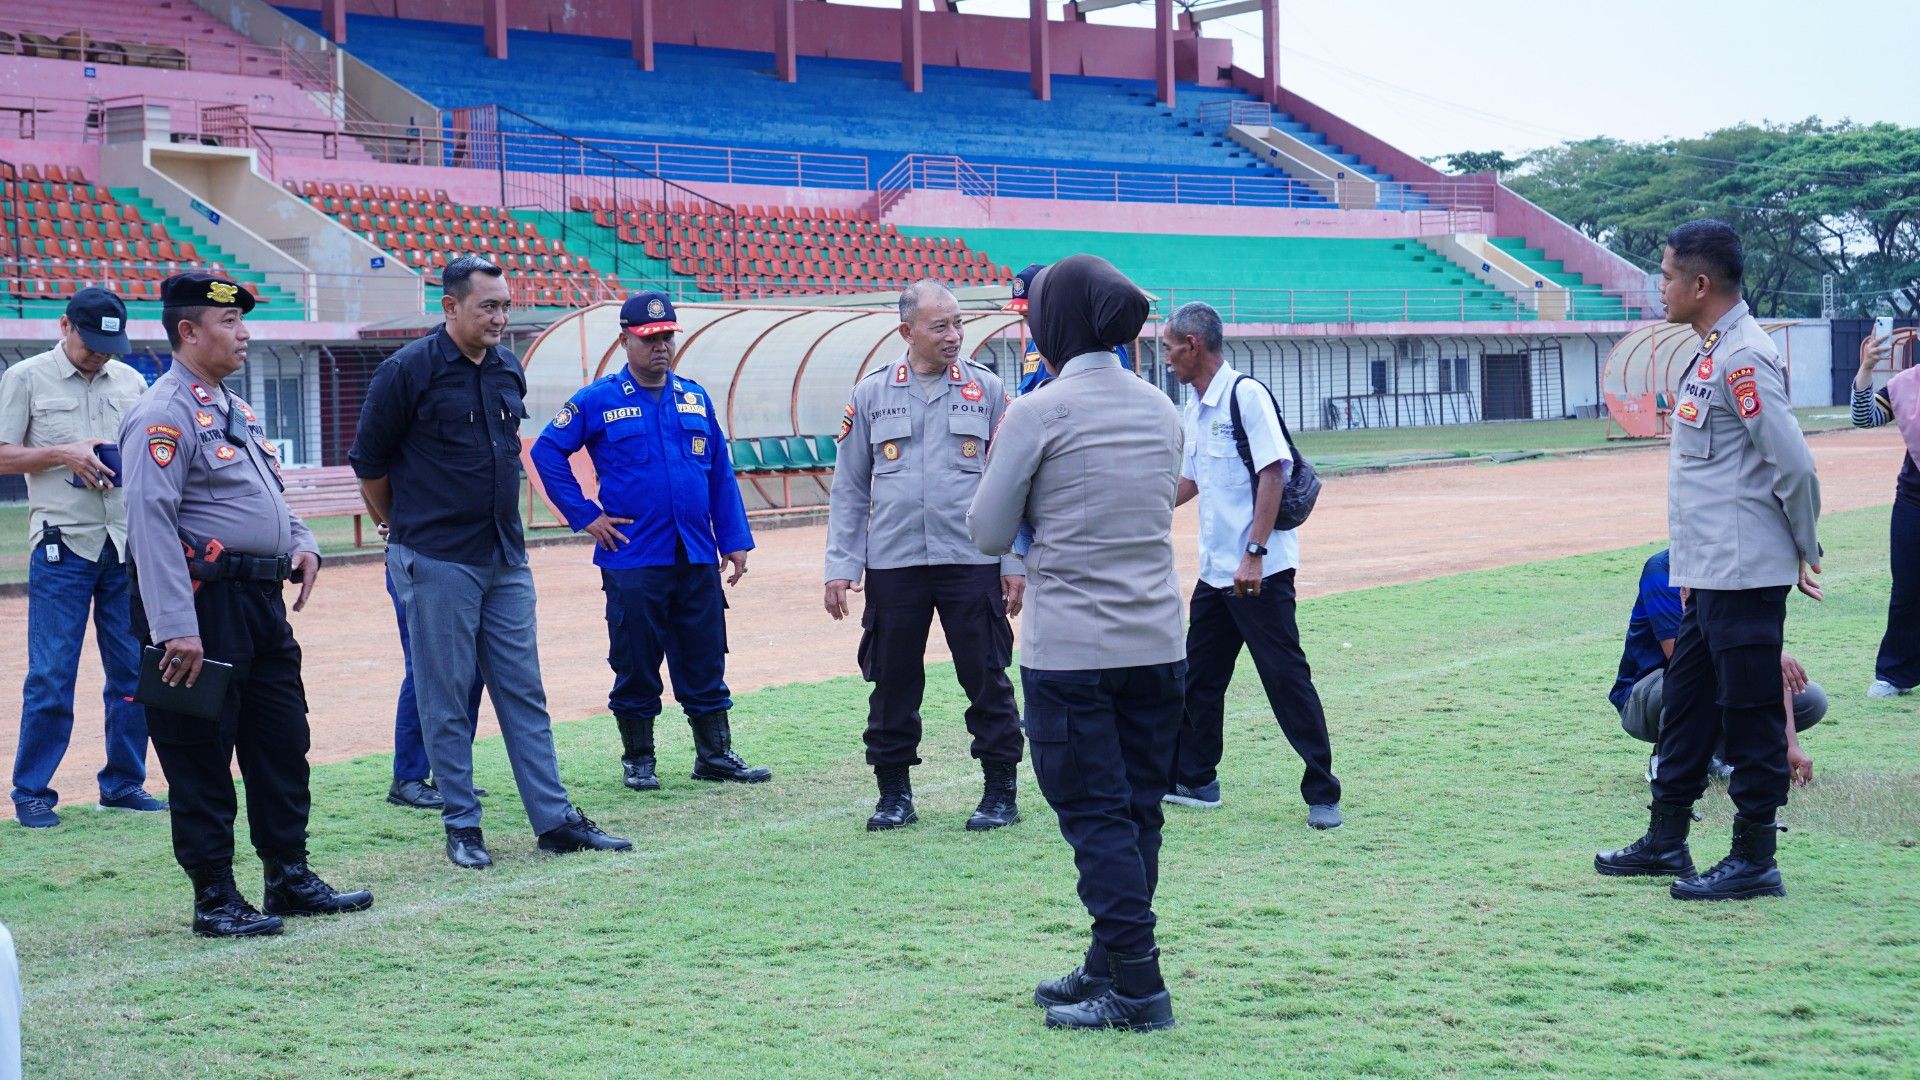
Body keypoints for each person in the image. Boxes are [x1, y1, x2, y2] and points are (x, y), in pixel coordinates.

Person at [349, 256, 630, 870]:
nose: (501, 317)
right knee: (446, 696)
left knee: (523, 692)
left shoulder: (505, 366)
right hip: (437, 557)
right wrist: (399, 528)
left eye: (505, 305)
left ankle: (554, 821)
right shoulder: (408, 370)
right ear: (450, 307)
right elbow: (369, 463)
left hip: (505, 556)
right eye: (488, 307)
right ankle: (463, 826)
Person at [969, 253, 1187, 1032]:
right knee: (1138, 815)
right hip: (1158, 639)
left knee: (1096, 820)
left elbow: (990, 529)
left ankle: (1139, 989)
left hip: (1072, 648)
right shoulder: (1161, 406)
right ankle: (1108, 963)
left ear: (1054, 325)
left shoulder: (1039, 411)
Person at [119, 272, 371, 937]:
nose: (244, 334)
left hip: (259, 605)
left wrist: (301, 539)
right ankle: (216, 897)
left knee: (280, 742)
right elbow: (150, 525)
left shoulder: (233, 407)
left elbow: (267, 495)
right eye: (228, 324)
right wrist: (176, 627)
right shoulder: (162, 412)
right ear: (188, 332)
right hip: (200, 611)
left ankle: (287, 876)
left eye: (242, 322)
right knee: (199, 752)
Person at [1594, 221, 1822, 902]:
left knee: (1750, 713)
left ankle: (1754, 858)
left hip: (1745, 572)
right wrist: (1688, 570)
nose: (1657, 287)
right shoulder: (1710, 352)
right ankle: (1667, 839)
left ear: (1699, 284)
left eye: (1665, 276)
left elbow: (1796, 466)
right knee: (1689, 707)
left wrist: (1804, 547)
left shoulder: (1743, 358)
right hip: (1706, 574)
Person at [529, 291, 770, 791]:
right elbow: (548, 452)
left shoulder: (694, 397)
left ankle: (715, 756)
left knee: (705, 655)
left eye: (666, 337)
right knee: (635, 659)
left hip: (696, 553)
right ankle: (639, 760)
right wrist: (585, 516)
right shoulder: (599, 398)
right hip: (634, 555)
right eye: (649, 338)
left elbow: (720, 474)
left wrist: (734, 539)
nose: (660, 347)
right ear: (625, 341)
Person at [824, 280, 1024, 832]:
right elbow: (850, 487)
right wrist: (841, 565)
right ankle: (894, 795)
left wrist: (1013, 561)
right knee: (891, 681)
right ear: (907, 331)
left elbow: (1011, 485)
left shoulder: (987, 391)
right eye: (941, 326)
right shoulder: (871, 394)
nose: (954, 335)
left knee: (986, 675)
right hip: (894, 563)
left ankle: (999, 792)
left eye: (958, 324)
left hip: (972, 559)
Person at [1159, 301, 1342, 829]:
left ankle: (1322, 791)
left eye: (1169, 346)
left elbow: (1273, 473)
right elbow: (1193, 481)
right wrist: (1139, 503)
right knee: (1199, 679)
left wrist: (1255, 555)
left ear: (1192, 345)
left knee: (1285, 678)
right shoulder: (1194, 408)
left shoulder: (1246, 395)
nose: (1166, 356)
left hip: (1257, 573)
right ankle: (1197, 777)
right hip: (1216, 574)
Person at [0, 287, 164, 827]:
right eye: (91, 342)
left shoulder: (131, 381)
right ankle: (32, 792)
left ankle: (122, 783)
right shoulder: (24, 378)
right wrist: (61, 453)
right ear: (65, 326)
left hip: (124, 544)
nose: (100, 354)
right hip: (61, 546)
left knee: (132, 672)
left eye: (108, 344)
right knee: (51, 672)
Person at [1612, 548, 1820, 786]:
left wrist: (1789, 745)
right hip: (1645, 692)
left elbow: (1766, 664)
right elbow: (1678, 656)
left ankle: (1719, 753)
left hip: (1712, 672)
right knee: (1705, 678)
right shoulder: (1663, 570)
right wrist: (1763, 653)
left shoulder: (1739, 570)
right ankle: (1668, 756)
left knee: (1810, 699)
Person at [383, 558, 485, 809]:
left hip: (467, 565)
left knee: (473, 669)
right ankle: (408, 778)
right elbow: (378, 518)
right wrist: (391, 526)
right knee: (424, 669)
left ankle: (451, 775)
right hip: (418, 565)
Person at [1851, 332, 1919, 698]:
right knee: (1907, 588)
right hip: (1914, 500)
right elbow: (1865, 417)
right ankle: (1896, 673)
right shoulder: (1907, 385)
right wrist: (1866, 371)